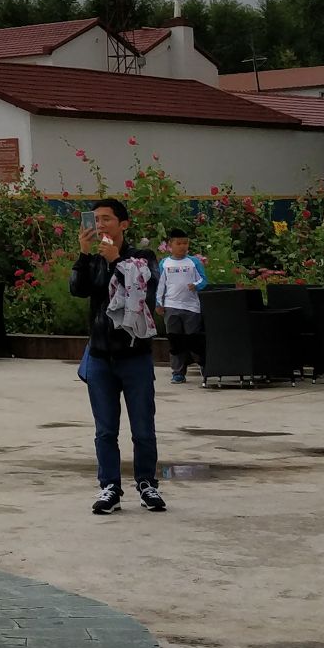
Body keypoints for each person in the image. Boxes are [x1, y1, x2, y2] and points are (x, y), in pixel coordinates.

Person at [70, 197, 163, 514]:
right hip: (100, 356)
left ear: (123, 224)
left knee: (143, 428)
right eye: (96, 219)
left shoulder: (142, 258)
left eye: (106, 219)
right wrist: (84, 255)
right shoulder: (94, 259)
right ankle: (109, 486)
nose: (100, 225)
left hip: (134, 356)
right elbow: (78, 289)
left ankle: (147, 484)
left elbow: (145, 291)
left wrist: (116, 262)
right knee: (105, 429)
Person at [157, 227, 208, 384]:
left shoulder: (194, 262)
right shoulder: (165, 263)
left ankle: (204, 366)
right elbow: (160, 284)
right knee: (175, 340)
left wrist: (196, 285)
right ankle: (178, 372)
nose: (182, 247)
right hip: (171, 306)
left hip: (191, 307)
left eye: (185, 243)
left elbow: (204, 280)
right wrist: (159, 303)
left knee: (194, 339)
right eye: (179, 243)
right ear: (170, 245)